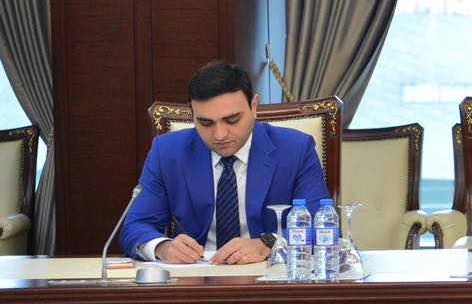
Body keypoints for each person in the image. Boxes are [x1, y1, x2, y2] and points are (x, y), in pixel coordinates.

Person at [119, 61, 330, 263]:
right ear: (192, 115)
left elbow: (321, 227)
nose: (220, 135)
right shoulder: (167, 152)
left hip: (269, 273)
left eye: (232, 120)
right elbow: (135, 226)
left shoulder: (296, 149)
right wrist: (162, 247)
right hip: (196, 276)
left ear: (254, 106)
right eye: (206, 123)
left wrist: (268, 243)